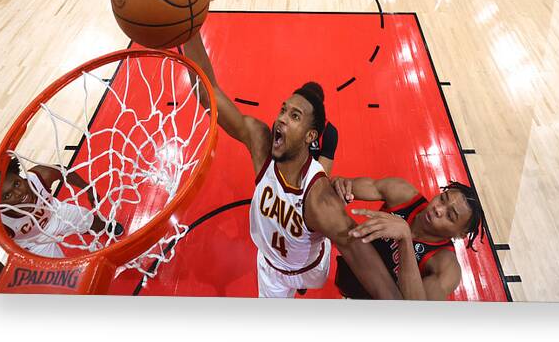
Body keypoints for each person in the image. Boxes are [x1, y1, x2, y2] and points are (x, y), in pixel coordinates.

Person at [183, 32, 407, 299]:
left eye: (295, 116)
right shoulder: (261, 143)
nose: (281, 119)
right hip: (272, 268)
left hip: (310, 267)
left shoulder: (320, 201)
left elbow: (358, 252)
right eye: (283, 110)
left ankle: (303, 275)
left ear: (311, 136)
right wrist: (191, 30)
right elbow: (210, 96)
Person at [331, 175, 484, 299]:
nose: (438, 209)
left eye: (450, 215)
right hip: (349, 266)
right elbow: (345, 185)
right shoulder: (402, 193)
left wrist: (405, 239)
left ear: (460, 234)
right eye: (442, 199)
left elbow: (417, 314)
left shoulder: (447, 267)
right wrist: (341, 185)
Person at [0, 157, 123, 280]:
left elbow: (62, 171)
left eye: (17, 183)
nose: (18, 193)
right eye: (7, 196)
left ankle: (106, 227)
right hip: (34, 244)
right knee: (62, 279)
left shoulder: (40, 176)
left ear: (21, 177)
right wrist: (9, 278)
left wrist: (87, 188)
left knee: (91, 220)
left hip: (55, 213)